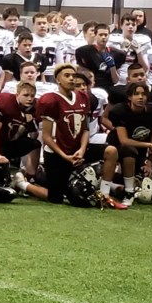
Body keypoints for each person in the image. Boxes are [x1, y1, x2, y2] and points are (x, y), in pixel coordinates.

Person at [36, 63, 90, 204]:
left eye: (73, 75)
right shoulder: (50, 100)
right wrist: (65, 156)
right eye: (67, 75)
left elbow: (85, 129)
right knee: (56, 198)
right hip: (57, 154)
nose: (72, 78)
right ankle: (24, 183)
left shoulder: (83, 97)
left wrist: (82, 150)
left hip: (77, 151)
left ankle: (108, 189)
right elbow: (46, 136)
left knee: (110, 151)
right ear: (58, 79)